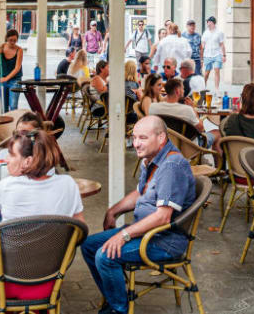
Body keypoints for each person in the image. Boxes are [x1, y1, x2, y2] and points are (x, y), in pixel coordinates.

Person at [81, 116, 196, 314]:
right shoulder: (151, 160)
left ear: (161, 138)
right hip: (145, 232)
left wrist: (123, 235)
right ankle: (115, 298)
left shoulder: (171, 166)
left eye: (142, 138)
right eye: (134, 137)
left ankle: (119, 309)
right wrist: (113, 211)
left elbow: (163, 217)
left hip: (163, 241)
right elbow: (141, 192)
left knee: (105, 256)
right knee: (89, 245)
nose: (135, 144)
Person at [0, 129, 86, 301]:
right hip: (47, 281)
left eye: (11, 155)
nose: (6, 160)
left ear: (28, 161)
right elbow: (79, 230)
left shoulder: (6, 185)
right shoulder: (69, 184)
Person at [148, 78, 215, 147]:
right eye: (183, 88)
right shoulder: (187, 110)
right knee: (216, 133)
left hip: (163, 146)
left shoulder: (153, 107)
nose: (184, 91)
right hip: (188, 148)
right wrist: (192, 108)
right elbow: (201, 129)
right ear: (177, 91)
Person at [0, 29, 24, 112]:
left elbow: (17, 68)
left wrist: (6, 79)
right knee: (4, 106)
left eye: (15, 40)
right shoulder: (2, 47)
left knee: (13, 106)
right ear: (6, 39)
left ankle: (13, 124)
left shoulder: (19, 50)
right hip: (2, 78)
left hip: (15, 80)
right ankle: (6, 124)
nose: (12, 42)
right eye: (10, 40)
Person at [200, 17, 226, 91]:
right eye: (207, 22)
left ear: (213, 23)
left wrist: (224, 55)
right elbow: (202, 45)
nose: (208, 23)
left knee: (217, 70)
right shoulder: (205, 33)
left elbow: (222, 44)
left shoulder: (219, 32)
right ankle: (203, 87)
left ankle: (216, 89)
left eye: (209, 22)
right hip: (207, 55)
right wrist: (201, 57)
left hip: (217, 54)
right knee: (207, 72)